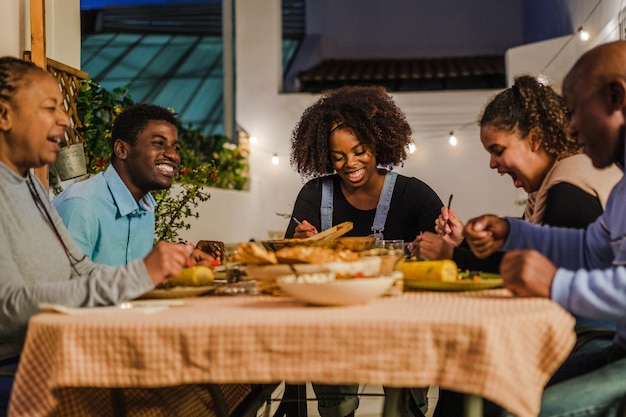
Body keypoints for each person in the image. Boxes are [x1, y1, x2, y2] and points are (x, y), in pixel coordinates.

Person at [0, 57, 194, 414]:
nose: (65, 120)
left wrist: (160, 269)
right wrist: (138, 275)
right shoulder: (72, 200)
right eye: (50, 108)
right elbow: (7, 310)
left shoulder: (28, 183)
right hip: (19, 369)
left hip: (53, 352)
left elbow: (80, 267)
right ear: (4, 116)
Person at [463, 40, 626, 417]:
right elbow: (589, 248)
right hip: (619, 349)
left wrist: (556, 284)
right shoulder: (621, 190)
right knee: (499, 389)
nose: (568, 127)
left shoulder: (575, 183)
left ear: (616, 97)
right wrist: (513, 232)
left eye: (574, 111)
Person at [285, 85, 443, 417]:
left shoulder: (413, 194)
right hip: (333, 328)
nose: (350, 164)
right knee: (336, 408)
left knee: (406, 408)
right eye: (338, 156)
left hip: (402, 326)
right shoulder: (314, 195)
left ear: (378, 144)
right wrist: (302, 244)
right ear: (326, 156)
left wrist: (444, 243)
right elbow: (288, 260)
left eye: (360, 151)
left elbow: (446, 249)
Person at [413, 75, 621, 273]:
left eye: (498, 151)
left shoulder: (570, 187)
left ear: (535, 139)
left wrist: (453, 255)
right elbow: (524, 251)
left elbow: (538, 266)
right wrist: (464, 242)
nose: (492, 164)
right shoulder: (548, 188)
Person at [52, 103, 214, 266]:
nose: (173, 155)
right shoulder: (81, 205)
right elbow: (65, 287)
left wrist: (180, 266)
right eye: (158, 143)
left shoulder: (145, 208)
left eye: (176, 147)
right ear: (121, 149)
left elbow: (134, 280)